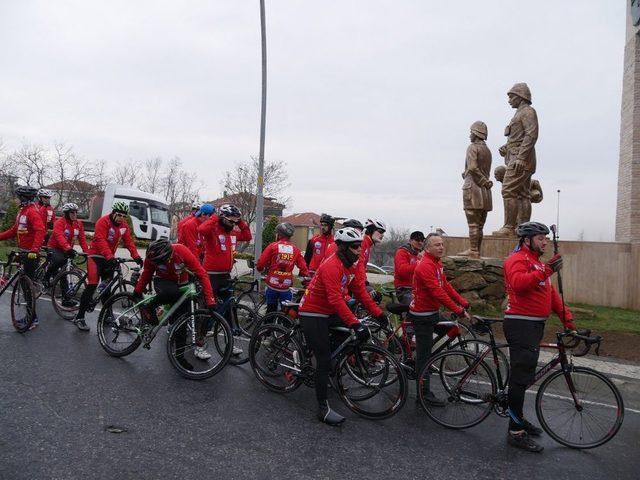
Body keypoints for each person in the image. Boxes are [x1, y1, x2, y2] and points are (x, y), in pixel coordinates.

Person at [298, 227, 388, 426]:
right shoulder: (332, 265)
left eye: (359, 246)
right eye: (355, 246)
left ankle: (329, 366)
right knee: (324, 360)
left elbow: (361, 292)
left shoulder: (352, 265)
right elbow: (336, 299)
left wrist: (378, 313)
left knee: (346, 339)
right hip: (313, 312)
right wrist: (355, 324)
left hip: (329, 311)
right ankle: (322, 408)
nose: (359, 250)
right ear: (342, 248)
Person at [503, 221, 576, 453]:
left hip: (534, 325)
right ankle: (515, 431)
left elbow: (551, 295)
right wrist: (547, 270)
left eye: (546, 238)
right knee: (519, 378)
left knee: (523, 378)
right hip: (521, 324)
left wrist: (569, 321)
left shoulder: (536, 262)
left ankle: (518, 418)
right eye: (540, 238)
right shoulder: (516, 260)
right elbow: (518, 284)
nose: (544, 241)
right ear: (527, 240)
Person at [409, 233, 470, 404]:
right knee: (424, 356)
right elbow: (437, 292)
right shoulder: (425, 265)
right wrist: (458, 310)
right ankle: (423, 394)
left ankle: (424, 354)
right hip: (422, 314)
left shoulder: (436, 263)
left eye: (442, 244)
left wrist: (462, 301)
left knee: (445, 332)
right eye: (437, 245)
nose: (441, 247)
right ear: (427, 248)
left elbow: (446, 286)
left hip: (432, 312)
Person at [133, 239, 217, 364]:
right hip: (162, 281)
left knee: (181, 323)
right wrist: (138, 291)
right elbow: (147, 273)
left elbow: (202, 274)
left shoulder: (181, 251)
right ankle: (149, 307)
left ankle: (179, 357)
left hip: (182, 283)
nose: (161, 263)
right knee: (172, 292)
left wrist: (210, 300)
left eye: (162, 261)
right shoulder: (152, 256)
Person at [73, 202, 142, 332]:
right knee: (92, 284)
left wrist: (136, 256)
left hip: (108, 258)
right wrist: (110, 256)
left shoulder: (124, 226)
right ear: (113, 213)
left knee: (107, 290)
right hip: (95, 257)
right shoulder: (102, 222)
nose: (121, 218)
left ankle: (106, 317)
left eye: (124, 216)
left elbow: (129, 242)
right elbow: (100, 240)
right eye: (119, 215)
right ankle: (80, 317)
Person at [198, 203, 252, 352]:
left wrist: (239, 220)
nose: (233, 224)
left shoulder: (232, 233)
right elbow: (201, 229)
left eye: (235, 222)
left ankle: (230, 343)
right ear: (222, 217)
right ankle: (199, 345)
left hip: (225, 276)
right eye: (230, 221)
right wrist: (216, 216)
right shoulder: (213, 230)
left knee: (229, 309)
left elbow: (247, 236)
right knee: (207, 310)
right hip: (210, 276)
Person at [494, 83, 539, 236]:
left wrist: (520, 157)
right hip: (518, 157)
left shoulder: (527, 112)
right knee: (523, 194)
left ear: (520, 97)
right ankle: (523, 228)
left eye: (511, 96)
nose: (509, 100)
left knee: (508, 190)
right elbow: (518, 138)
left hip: (520, 160)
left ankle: (509, 227)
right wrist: (506, 148)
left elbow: (531, 135)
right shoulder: (519, 114)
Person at [0, 186, 46, 328]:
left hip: (31, 254)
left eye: (20, 197)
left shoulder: (32, 211)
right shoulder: (22, 211)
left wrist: (35, 249)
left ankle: (32, 319)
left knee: (27, 286)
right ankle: (31, 316)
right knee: (24, 285)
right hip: (23, 251)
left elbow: (40, 230)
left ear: (25, 198)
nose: (18, 199)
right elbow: (14, 230)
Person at [256, 222, 309, 314]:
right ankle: (283, 326)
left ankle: (269, 326)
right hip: (286, 286)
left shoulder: (272, 246)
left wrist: (260, 269)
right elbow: (304, 268)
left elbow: (260, 264)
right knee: (285, 313)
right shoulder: (295, 249)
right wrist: (306, 280)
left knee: (270, 311)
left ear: (279, 235)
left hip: (272, 285)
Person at [459, 121, 493, 258]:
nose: (469, 135)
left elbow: (473, 168)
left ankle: (473, 250)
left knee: (473, 223)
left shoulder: (472, 147)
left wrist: (483, 180)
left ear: (476, 133)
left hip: (474, 188)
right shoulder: (487, 150)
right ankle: (476, 250)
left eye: (471, 132)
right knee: (479, 225)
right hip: (484, 191)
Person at [43, 203, 89, 303]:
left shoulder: (78, 224)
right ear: (66, 213)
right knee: (59, 260)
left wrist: (87, 253)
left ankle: (66, 299)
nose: (75, 214)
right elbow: (59, 237)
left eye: (76, 212)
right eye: (72, 212)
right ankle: (46, 277)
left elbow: (82, 240)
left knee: (63, 273)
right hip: (54, 247)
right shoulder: (60, 222)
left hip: (66, 249)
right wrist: (68, 248)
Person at [393, 231, 425, 304]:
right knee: (418, 305)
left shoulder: (420, 254)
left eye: (422, 240)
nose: (420, 242)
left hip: (418, 289)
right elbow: (402, 272)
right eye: (417, 240)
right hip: (404, 290)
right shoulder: (402, 252)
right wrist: (419, 262)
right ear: (410, 241)